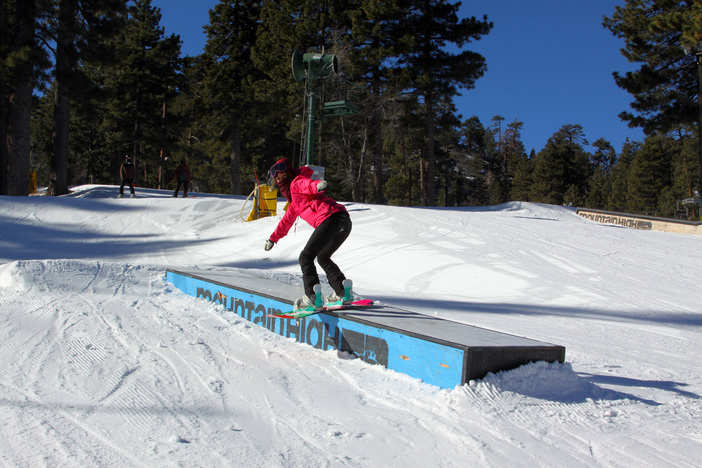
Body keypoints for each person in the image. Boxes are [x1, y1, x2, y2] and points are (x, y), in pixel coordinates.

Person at [264, 158, 353, 312]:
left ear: (289, 173)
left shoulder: (295, 182)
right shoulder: (294, 205)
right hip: (343, 221)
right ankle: (343, 292)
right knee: (323, 257)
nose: (280, 181)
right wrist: (273, 238)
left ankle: (312, 298)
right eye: (277, 179)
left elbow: (306, 184)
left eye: (283, 176)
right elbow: (285, 223)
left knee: (305, 257)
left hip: (331, 219)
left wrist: (317, 185)